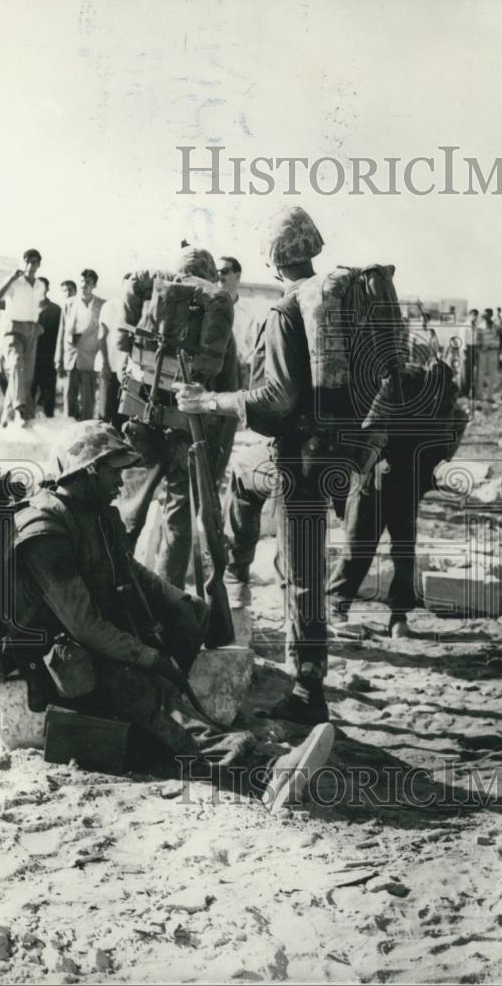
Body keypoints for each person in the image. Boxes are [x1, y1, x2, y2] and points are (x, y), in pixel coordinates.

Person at [9, 420, 334, 793]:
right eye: (115, 473)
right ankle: (264, 772)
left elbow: (127, 570)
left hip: (90, 642)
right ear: (90, 470)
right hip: (59, 662)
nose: (120, 485)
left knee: (182, 628)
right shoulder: (43, 531)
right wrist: (148, 658)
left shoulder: (93, 512)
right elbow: (84, 624)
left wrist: (179, 601)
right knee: (144, 691)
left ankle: (165, 727)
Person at [178, 207, 403, 726]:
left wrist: (209, 402)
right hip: (343, 453)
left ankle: (307, 688)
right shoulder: (339, 301)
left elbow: (277, 398)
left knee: (301, 573)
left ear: (271, 258)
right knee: (243, 480)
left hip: (299, 459)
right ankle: (237, 577)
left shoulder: (284, 312)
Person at [121, 249, 236, 588]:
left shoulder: (151, 312)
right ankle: (168, 597)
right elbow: (227, 394)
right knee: (178, 521)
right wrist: (217, 459)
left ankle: (120, 592)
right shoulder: (214, 323)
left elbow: (127, 370)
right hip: (187, 431)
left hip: (142, 423)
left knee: (129, 511)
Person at [328, 361, 465, 637]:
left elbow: (371, 430)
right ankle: (388, 615)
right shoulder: (442, 403)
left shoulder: (407, 387)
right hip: (388, 475)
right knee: (392, 549)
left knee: (365, 546)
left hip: (388, 477)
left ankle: (342, 607)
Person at [0, 248, 44, 427]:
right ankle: (20, 410)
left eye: (34, 262)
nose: (30, 265)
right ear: (23, 262)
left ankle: (6, 413)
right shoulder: (14, 282)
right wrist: (12, 278)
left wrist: (37, 321)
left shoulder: (40, 285)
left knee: (24, 375)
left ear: (38, 265)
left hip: (31, 330)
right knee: (16, 366)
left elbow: (38, 305)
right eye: (27, 261)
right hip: (13, 329)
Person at [55, 269, 104, 421]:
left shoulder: (101, 305)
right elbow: (62, 332)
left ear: (94, 285)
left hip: (90, 356)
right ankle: (69, 428)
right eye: (82, 281)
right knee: (69, 397)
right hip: (71, 355)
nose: (84, 285)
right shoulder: (69, 303)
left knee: (88, 399)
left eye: (88, 282)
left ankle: (86, 430)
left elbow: (103, 334)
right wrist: (59, 358)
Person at [96, 273, 133, 431]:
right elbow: (102, 337)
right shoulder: (110, 306)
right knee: (105, 413)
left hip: (128, 371)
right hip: (110, 367)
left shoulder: (137, 307)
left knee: (123, 415)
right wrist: (105, 364)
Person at [31, 278, 62, 418]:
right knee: (29, 392)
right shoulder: (27, 308)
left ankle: (49, 420)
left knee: (49, 395)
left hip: (49, 357)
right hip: (30, 357)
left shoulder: (56, 310)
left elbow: (60, 335)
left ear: (48, 289)